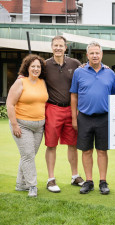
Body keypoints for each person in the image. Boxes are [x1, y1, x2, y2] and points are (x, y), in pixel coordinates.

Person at [70, 41, 115, 195]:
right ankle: (89, 181)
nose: (95, 55)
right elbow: (74, 95)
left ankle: (103, 181)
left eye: (97, 53)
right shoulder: (79, 72)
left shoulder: (110, 73)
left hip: (104, 117)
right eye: (92, 53)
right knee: (86, 150)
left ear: (101, 54)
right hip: (84, 117)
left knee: (102, 151)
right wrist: (74, 118)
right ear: (87, 55)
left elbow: (114, 97)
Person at [45, 35, 84, 193]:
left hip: (71, 109)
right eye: (55, 45)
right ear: (51, 47)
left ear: (65, 47)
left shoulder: (74, 63)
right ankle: (51, 179)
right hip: (53, 108)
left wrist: (106, 67)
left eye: (61, 45)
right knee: (51, 145)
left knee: (72, 144)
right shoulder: (45, 65)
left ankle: (75, 176)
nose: (58, 48)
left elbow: (87, 73)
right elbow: (32, 75)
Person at [6, 54, 48, 197]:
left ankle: (20, 184)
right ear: (27, 68)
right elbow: (10, 104)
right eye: (33, 66)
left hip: (39, 127)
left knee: (28, 156)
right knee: (28, 155)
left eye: (38, 66)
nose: (36, 69)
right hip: (22, 125)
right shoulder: (21, 82)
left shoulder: (43, 82)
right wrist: (14, 125)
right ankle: (32, 186)